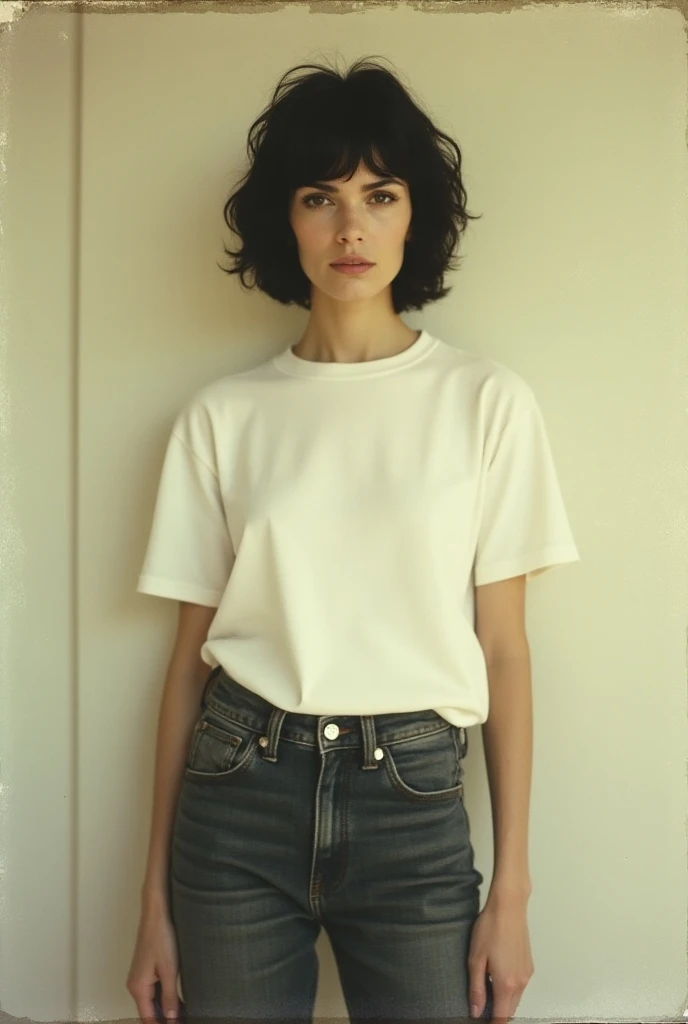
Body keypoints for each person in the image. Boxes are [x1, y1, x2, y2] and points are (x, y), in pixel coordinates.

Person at [126, 55, 580, 1024]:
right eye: (317, 197)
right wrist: (151, 902)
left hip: (411, 801)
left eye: (379, 193)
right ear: (282, 222)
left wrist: (511, 892)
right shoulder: (223, 417)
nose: (350, 227)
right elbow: (181, 667)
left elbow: (503, 648)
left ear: (415, 214)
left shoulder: (483, 403)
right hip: (235, 792)